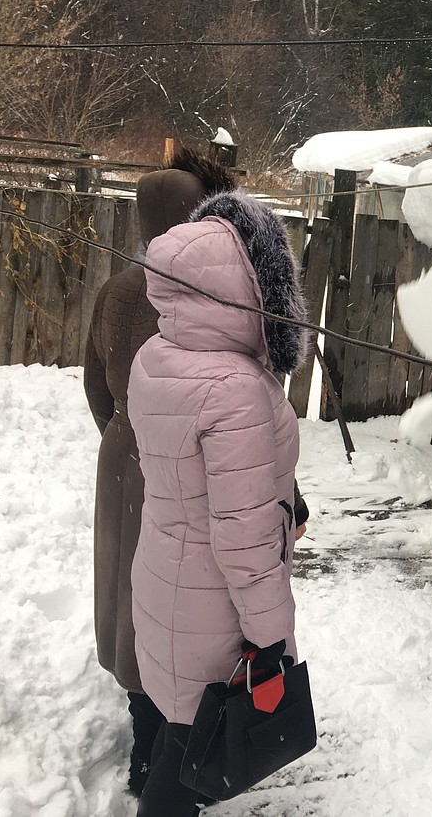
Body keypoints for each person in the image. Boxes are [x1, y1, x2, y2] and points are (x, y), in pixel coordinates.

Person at [127, 187, 309, 816]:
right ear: (254, 285)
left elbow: (202, 480)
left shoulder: (159, 355)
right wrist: (273, 643)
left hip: (163, 574)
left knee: (173, 724)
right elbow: (245, 542)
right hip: (210, 604)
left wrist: (290, 499)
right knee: (188, 758)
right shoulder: (235, 389)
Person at [83, 148, 236, 796]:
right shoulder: (210, 295)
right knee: (176, 605)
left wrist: (122, 434)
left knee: (129, 595)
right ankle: (165, 752)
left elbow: (94, 386)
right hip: (185, 464)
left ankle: (145, 739)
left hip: (125, 455)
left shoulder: (115, 291)